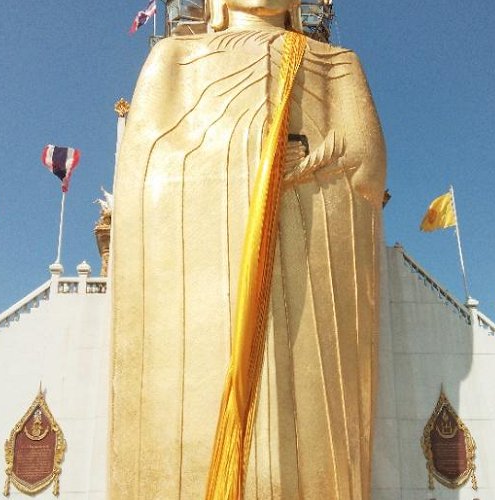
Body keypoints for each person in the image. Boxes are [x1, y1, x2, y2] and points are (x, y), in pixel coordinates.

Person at [110, 0, 386, 497]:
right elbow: (142, 171)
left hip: (310, 264)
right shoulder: (175, 58)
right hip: (205, 285)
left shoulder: (337, 65)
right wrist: (250, 153)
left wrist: (308, 159)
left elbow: (367, 168)